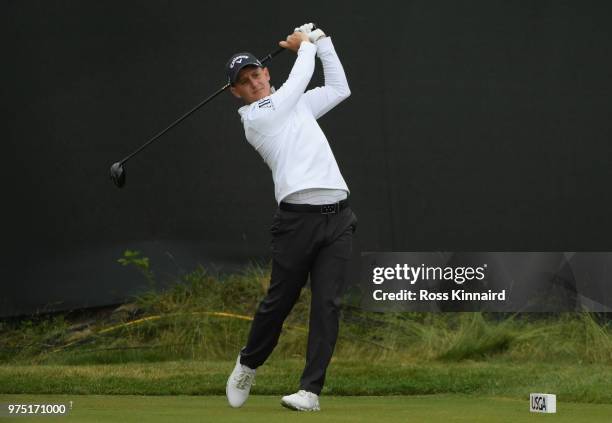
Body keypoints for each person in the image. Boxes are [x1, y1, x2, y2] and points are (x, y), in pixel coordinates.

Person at [224, 23, 357, 412]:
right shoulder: (256, 119)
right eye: (243, 82)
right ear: (236, 93)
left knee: (327, 305)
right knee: (279, 302)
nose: (253, 84)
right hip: (296, 223)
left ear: (267, 72)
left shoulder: (293, 101)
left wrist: (323, 42)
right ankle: (248, 363)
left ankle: (310, 391)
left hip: (338, 219)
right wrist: (305, 48)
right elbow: (295, 86)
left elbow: (339, 88)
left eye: (256, 75)